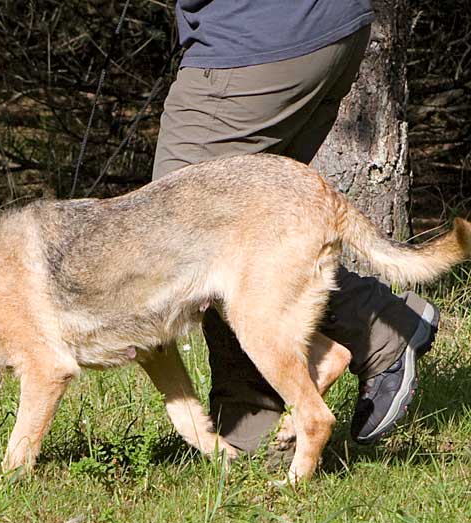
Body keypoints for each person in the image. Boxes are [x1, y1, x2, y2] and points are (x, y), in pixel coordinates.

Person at [153, 0, 440, 454]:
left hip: (255, 39)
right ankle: (252, 431)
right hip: (323, 28)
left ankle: (379, 329)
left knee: (169, 240)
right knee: (253, 227)